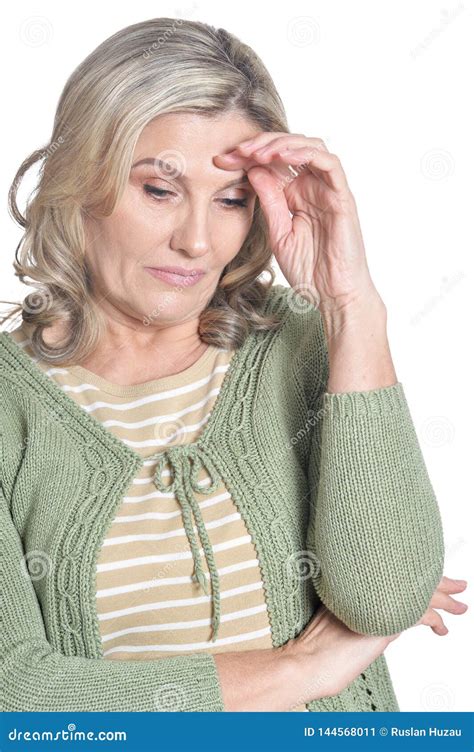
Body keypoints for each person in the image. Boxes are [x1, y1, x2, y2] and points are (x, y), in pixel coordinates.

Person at [0, 17, 468, 713]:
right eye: (158, 190)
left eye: (231, 200)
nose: (194, 239)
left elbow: (383, 594)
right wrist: (307, 665)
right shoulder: (13, 400)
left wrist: (351, 305)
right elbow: (20, 693)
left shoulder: (305, 344)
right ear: (80, 178)